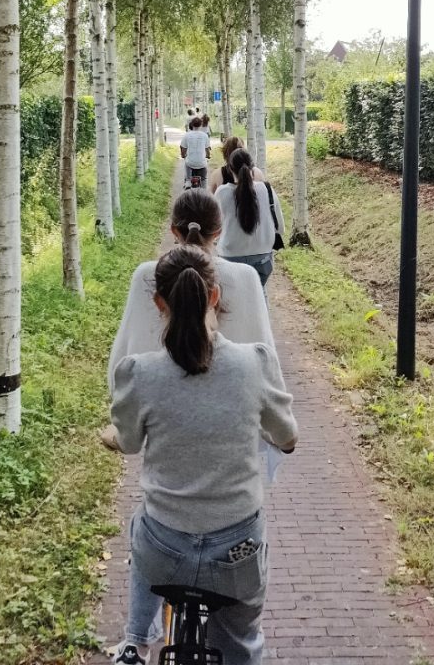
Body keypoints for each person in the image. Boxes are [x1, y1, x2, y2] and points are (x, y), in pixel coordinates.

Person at [109, 245, 298, 665]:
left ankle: (136, 642)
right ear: (215, 297)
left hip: (164, 552)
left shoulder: (138, 373)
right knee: (242, 642)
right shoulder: (255, 363)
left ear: (159, 303)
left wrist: (111, 436)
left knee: (143, 523)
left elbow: (127, 441)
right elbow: (288, 436)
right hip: (237, 555)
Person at [106, 188, 275, 393]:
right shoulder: (246, 276)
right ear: (218, 232)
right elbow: (267, 366)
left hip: (156, 406)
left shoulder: (146, 275)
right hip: (235, 408)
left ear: (174, 231)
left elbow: (119, 370)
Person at [215, 147, 284, 288]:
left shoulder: (222, 192)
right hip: (263, 257)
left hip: (230, 255)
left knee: (232, 300)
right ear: (252, 168)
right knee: (259, 294)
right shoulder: (267, 189)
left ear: (229, 169)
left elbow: (215, 227)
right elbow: (280, 227)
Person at [180, 116, 210, 188]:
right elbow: (207, 150)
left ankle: (187, 181)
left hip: (190, 163)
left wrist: (183, 155)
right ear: (201, 125)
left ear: (192, 124)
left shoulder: (187, 135)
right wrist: (208, 156)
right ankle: (204, 188)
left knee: (187, 162)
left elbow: (183, 150)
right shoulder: (205, 136)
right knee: (204, 179)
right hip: (202, 164)